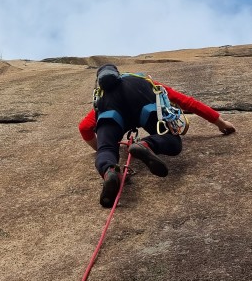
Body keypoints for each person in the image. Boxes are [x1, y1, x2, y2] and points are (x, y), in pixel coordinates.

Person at [78, 63, 236, 208]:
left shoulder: (103, 96)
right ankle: (147, 145)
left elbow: (85, 127)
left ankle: (109, 171)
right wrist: (220, 123)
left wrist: (105, 149)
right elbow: (187, 102)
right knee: (172, 140)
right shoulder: (145, 81)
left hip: (111, 113)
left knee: (106, 149)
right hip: (144, 106)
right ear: (118, 73)